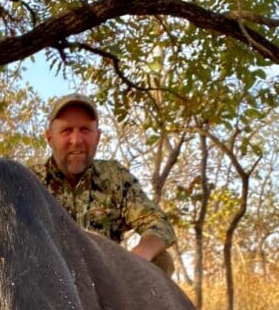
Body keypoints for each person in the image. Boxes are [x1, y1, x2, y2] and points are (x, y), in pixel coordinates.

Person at [35, 93, 176, 275]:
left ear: (98, 136)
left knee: (161, 259)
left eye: (85, 130)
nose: (76, 141)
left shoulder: (114, 176)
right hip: (51, 283)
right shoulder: (31, 181)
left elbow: (159, 224)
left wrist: (137, 259)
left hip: (105, 281)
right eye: (66, 130)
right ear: (49, 138)